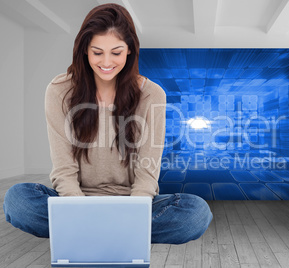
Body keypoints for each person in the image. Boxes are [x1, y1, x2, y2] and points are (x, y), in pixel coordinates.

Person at [3, 3, 212, 245]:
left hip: (133, 203)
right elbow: (63, 170)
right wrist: (79, 210)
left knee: (196, 213)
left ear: (130, 51)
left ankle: (89, 235)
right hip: (76, 201)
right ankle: (118, 236)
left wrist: (132, 214)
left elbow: (147, 175)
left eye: (116, 52)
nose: (106, 62)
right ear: (84, 50)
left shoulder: (152, 95)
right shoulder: (59, 90)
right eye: (97, 52)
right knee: (18, 200)